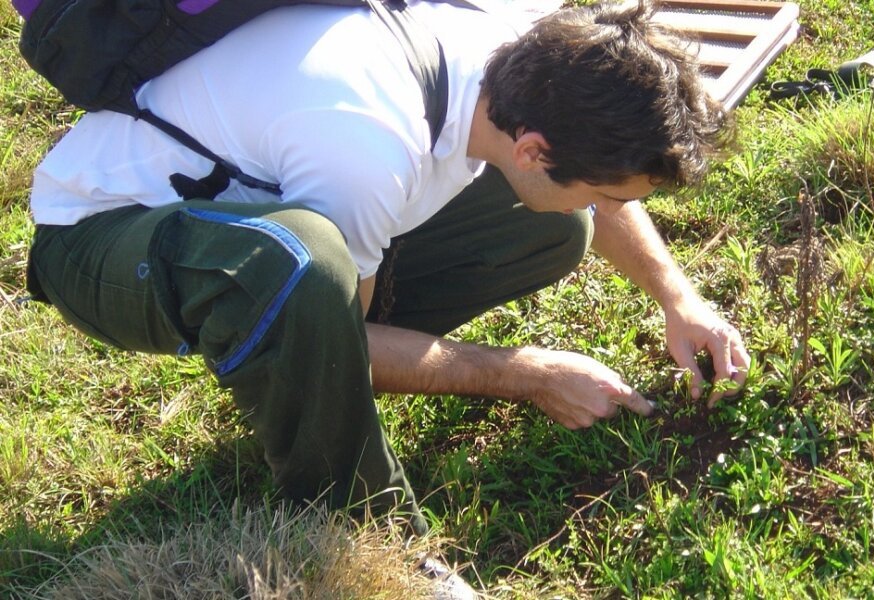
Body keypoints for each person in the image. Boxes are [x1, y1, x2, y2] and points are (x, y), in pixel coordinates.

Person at [26, 0, 748, 562]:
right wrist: (522, 374)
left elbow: (583, 181)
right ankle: (367, 535)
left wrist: (678, 300)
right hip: (103, 235)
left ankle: (293, 388)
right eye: (611, 190)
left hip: (259, 211)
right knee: (302, 264)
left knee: (553, 227)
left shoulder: (521, 38)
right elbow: (349, 339)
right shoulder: (365, 149)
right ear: (532, 150)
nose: (615, 207)